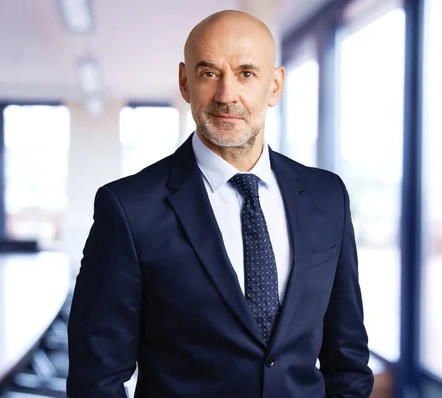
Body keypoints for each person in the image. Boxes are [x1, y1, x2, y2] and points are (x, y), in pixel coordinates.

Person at [67, 9, 374, 398]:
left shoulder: (327, 196)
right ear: (185, 82)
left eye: (246, 73)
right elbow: (96, 380)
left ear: (275, 86)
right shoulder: (128, 208)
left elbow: (347, 359)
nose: (227, 94)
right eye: (209, 73)